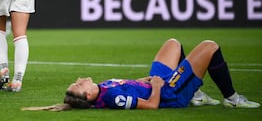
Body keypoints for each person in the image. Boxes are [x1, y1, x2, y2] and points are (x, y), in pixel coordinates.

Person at [24, 38, 259, 111]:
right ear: (87, 95)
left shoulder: (103, 89)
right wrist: (156, 86)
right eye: (78, 85)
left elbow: (130, 86)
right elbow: (151, 106)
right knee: (209, 46)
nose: (79, 80)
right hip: (168, 93)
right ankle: (232, 98)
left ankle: (196, 93)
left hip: (154, 84)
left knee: (173, 44)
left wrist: (144, 80)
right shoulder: (111, 99)